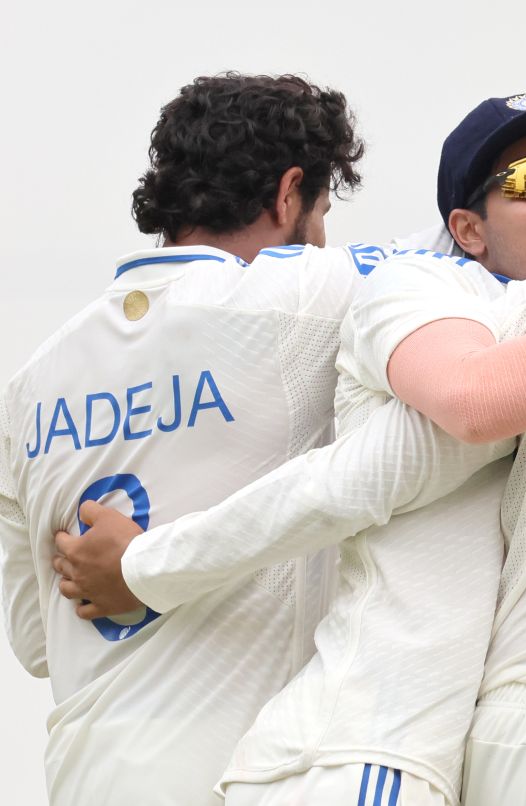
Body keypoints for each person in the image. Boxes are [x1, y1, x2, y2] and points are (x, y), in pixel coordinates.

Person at [47, 86, 526, 806]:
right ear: (464, 231)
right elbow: (383, 459)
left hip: (418, 765)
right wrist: (144, 569)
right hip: (363, 756)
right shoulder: (434, 297)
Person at [0, 72, 373, 804]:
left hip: (85, 778)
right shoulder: (303, 295)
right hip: (237, 778)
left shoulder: (27, 386)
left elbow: (35, 639)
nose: (325, 236)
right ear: (288, 192)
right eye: (323, 210)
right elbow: (475, 269)